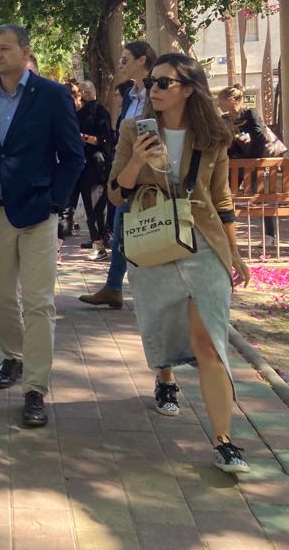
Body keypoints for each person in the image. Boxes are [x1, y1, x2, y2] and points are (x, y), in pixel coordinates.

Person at [110, 53, 251, 473]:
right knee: (164, 323)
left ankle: (224, 440)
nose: (153, 89)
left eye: (163, 83)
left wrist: (234, 252)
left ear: (188, 89)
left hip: (203, 241)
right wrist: (137, 160)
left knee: (209, 340)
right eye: (151, 82)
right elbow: (116, 192)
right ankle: (165, 376)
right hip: (153, 237)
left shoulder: (213, 135)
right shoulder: (134, 129)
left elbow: (221, 198)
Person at [0, 25, 84, 428]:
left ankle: (35, 388)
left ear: (25, 51)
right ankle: (13, 357)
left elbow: (73, 156)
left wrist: (55, 203)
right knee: (0, 299)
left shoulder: (51, 95)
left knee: (38, 302)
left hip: (37, 213)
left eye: (4, 48)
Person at [81, 41, 156, 309]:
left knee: (149, 230)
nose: (121, 65)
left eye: (126, 60)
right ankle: (113, 287)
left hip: (153, 175)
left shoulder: (157, 92)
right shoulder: (130, 95)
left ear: (142, 60)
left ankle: (134, 288)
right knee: (122, 223)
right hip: (127, 171)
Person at [218, 84, 284, 243]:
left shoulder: (250, 114)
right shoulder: (224, 119)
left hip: (258, 161)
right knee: (225, 196)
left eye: (221, 100)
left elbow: (259, 138)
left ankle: (269, 235)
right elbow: (226, 144)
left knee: (262, 195)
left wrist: (251, 162)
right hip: (237, 163)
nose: (218, 104)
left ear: (232, 100)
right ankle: (223, 233)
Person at [67, 81, 112, 261]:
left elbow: (104, 139)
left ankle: (99, 245)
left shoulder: (99, 112)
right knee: (81, 205)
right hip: (81, 164)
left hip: (96, 166)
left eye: (81, 92)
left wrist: (83, 138)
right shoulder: (77, 114)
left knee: (94, 206)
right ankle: (95, 242)